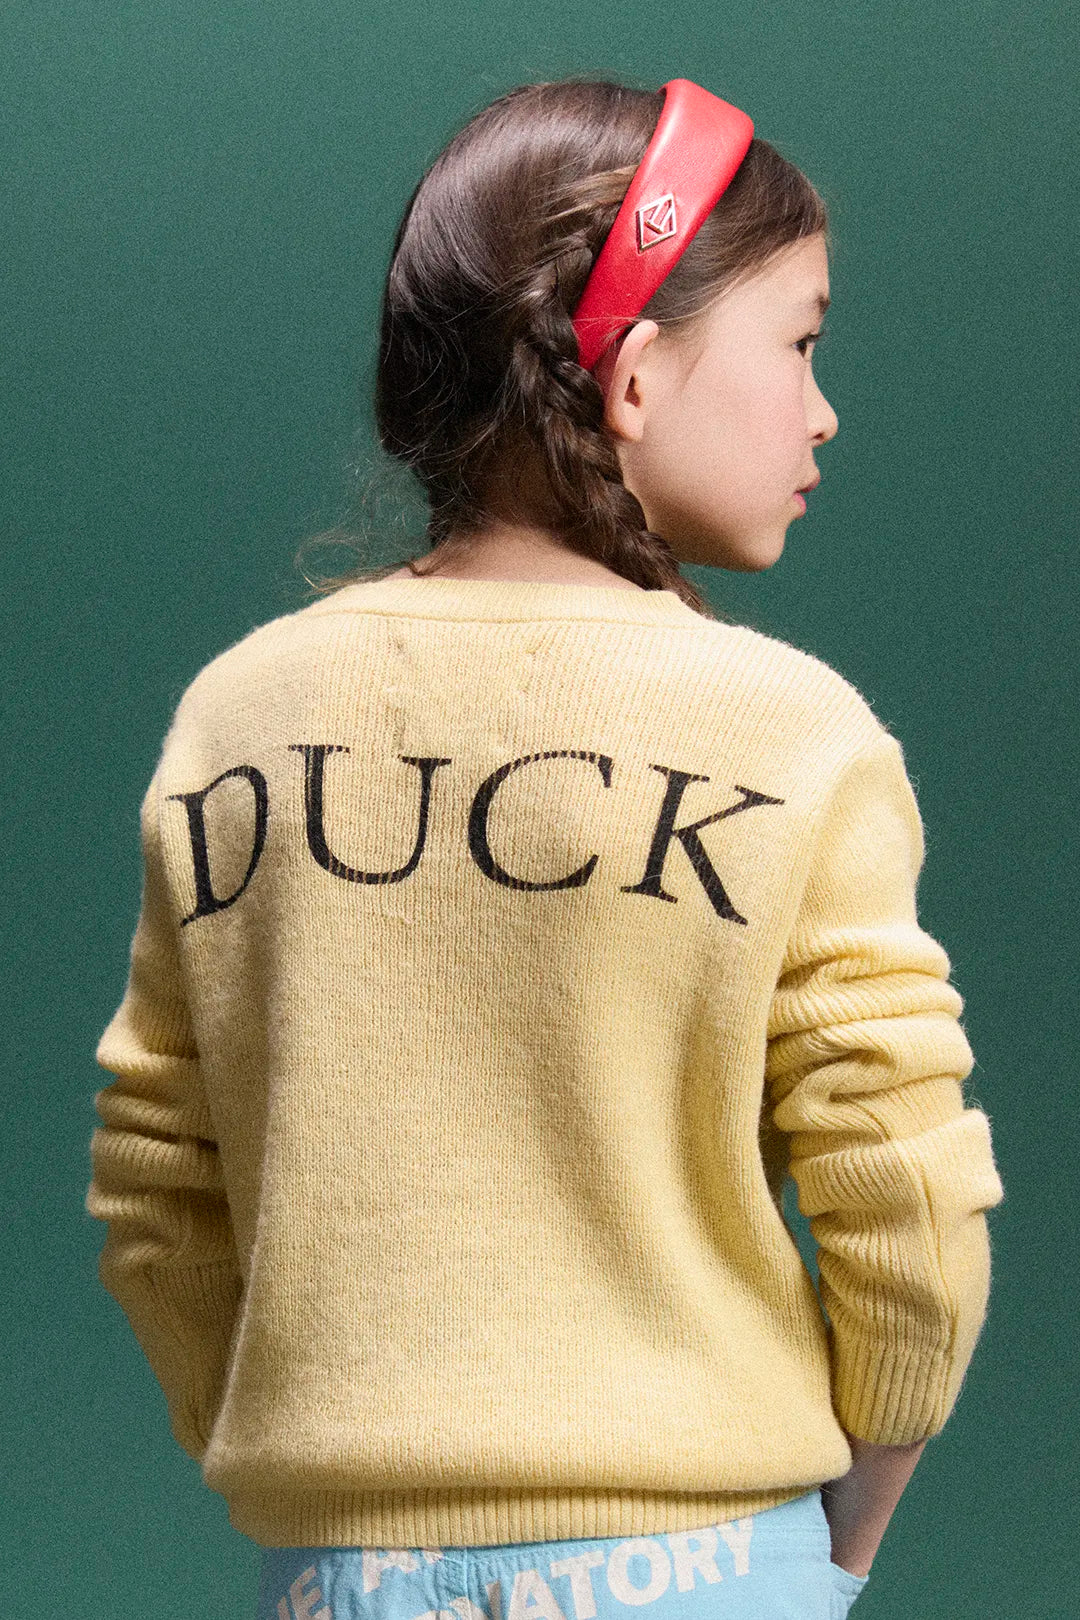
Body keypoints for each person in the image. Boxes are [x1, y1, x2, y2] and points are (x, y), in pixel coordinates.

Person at [84, 76, 1005, 1620]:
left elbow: (157, 1185)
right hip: (715, 1569)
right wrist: (842, 1544)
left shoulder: (238, 716)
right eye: (801, 343)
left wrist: (315, 1472)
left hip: (337, 1581)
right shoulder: (791, 732)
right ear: (634, 377)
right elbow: (904, 1198)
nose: (823, 409)